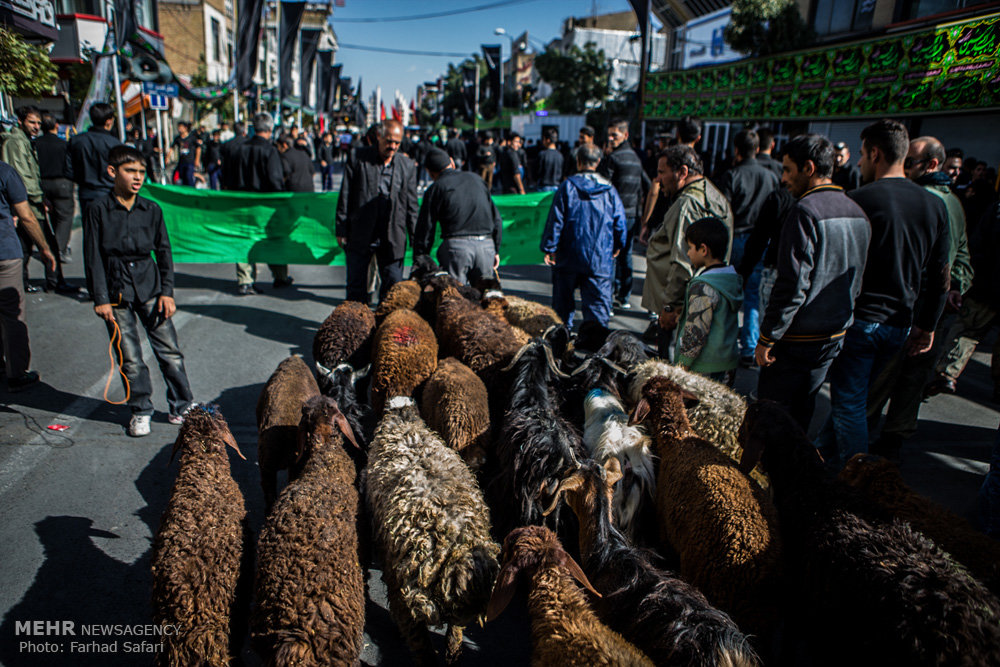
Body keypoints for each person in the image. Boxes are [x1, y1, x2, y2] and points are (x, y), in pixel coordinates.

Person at [815, 119, 950, 467]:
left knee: (848, 402)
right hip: (900, 324)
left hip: (862, 320)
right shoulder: (935, 206)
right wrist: (927, 325)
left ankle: (860, 479)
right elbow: (939, 276)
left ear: (875, 153)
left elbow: (836, 265)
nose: (858, 162)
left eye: (861, 154)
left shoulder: (859, 200)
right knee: (855, 400)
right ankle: (819, 456)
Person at [864, 136, 973, 461]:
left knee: (881, 382)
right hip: (933, 311)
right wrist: (956, 289)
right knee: (909, 381)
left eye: (909, 162)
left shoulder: (927, 200)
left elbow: (936, 265)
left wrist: (947, 290)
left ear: (932, 165)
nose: (904, 168)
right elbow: (963, 259)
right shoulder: (951, 200)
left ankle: (858, 448)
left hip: (912, 310)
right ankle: (891, 441)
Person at [754, 134, 871, 431]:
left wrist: (768, 336)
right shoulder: (856, 210)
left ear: (808, 168)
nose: (783, 178)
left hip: (797, 339)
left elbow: (793, 284)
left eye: (788, 170)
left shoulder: (805, 211)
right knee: (801, 416)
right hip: (833, 334)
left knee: (771, 419)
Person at [82, 145, 194, 436]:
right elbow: (92, 256)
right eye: (130, 171)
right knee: (129, 357)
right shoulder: (98, 210)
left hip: (150, 288)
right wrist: (100, 298)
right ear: (112, 172)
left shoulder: (151, 209)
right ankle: (141, 410)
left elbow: (164, 252)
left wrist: (167, 292)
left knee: (170, 351)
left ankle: (182, 405)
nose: (137, 177)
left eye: (142, 172)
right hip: (116, 290)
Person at [641, 145, 733, 359]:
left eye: (662, 172)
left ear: (682, 172)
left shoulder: (688, 204)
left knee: (672, 366)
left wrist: (669, 307)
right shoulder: (711, 192)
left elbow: (682, 262)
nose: (658, 179)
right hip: (703, 300)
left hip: (682, 308)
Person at [540, 143, 626, 330]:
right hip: (599, 256)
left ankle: (562, 344)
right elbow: (620, 223)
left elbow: (556, 220)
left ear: (578, 161)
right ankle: (594, 346)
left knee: (562, 308)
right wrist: (618, 245)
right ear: (598, 162)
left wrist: (550, 247)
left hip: (569, 255)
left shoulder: (567, 187)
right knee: (597, 307)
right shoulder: (609, 190)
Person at [925, 200, 1000, 404]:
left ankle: (947, 374)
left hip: (987, 285)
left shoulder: (997, 207)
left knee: (968, 331)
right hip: (988, 282)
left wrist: (969, 278)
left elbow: (978, 242)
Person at [335, 119, 418, 304]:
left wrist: (415, 239)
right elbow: (345, 195)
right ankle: (357, 329)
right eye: (389, 141)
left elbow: (412, 205)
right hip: (361, 233)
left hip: (392, 236)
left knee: (393, 289)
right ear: (379, 136)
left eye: (397, 142)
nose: (393, 146)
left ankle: (384, 329)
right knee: (356, 288)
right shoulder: (358, 157)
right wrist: (341, 229)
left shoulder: (407, 166)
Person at [717, 129, 780, 367]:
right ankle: (750, 347)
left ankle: (725, 345)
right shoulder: (770, 176)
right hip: (762, 240)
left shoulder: (732, 175)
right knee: (753, 295)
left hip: (736, 239)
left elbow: (723, 213)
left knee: (728, 295)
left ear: (736, 150)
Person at [2, 106, 75, 295]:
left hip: (30, 201)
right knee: (45, 243)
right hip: (27, 204)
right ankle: (54, 281)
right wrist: (38, 197)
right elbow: (22, 177)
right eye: (32, 122)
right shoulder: (15, 142)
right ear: (20, 121)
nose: (36, 127)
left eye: (38, 123)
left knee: (26, 244)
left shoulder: (25, 140)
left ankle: (27, 282)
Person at [0, 160, 56, 391]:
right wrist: (44, 247)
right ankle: (16, 373)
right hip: (4, 253)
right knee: (12, 315)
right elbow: (27, 216)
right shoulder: (5, 172)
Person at [413, 148, 502, 286]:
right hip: (486, 247)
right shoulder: (477, 180)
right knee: (486, 301)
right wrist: (495, 249)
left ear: (429, 173)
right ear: (452, 163)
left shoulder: (435, 188)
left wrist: (421, 257)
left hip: (456, 250)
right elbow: (496, 219)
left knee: (456, 301)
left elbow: (425, 228)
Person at [675, 217, 743, 385]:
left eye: (690, 247)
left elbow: (696, 333)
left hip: (703, 368)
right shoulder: (730, 279)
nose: (689, 253)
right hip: (727, 363)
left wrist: (681, 367)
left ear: (703, 249)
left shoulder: (704, 286)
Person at [234, 114, 292, 294]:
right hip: (266, 204)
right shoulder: (270, 150)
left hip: (243, 202)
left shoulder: (241, 148)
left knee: (245, 239)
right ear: (269, 129)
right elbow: (275, 179)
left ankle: (245, 280)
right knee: (273, 239)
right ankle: (280, 276)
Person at [599, 118, 649, 310]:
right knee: (625, 254)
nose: (610, 139)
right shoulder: (635, 158)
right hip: (631, 216)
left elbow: (603, 186)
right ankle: (624, 295)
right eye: (609, 135)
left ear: (625, 135)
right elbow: (647, 185)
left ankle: (608, 297)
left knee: (611, 255)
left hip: (614, 216)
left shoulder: (613, 158)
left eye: (614, 135)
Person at [66, 102, 122, 215]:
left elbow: (68, 170)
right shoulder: (115, 144)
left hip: (85, 194)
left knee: (90, 230)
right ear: (109, 121)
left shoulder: (76, 141)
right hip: (109, 193)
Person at [35, 114, 75, 265]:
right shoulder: (63, 144)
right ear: (56, 126)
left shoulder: (35, 143)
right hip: (62, 182)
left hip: (43, 182)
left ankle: (54, 245)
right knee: (64, 217)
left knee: (51, 215)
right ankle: (58, 248)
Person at [169, 122, 201, 187]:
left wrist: (197, 159)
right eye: (178, 127)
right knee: (182, 178)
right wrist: (167, 157)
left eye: (181, 127)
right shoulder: (178, 138)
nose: (179, 129)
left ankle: (192, 191)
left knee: (189, 177)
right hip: (181, 161)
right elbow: (172, 148)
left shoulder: (192, 138)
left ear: (185, 128)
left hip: (190, 161)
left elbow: (198, 148)